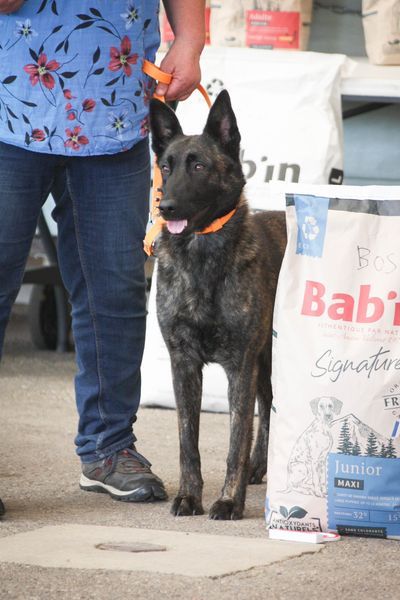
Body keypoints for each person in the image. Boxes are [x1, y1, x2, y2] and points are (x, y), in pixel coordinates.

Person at [0, 0, 205, 513]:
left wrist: (190, 36)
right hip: (11, 104)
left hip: (114, 106)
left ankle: (109, 448)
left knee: (115, 290)